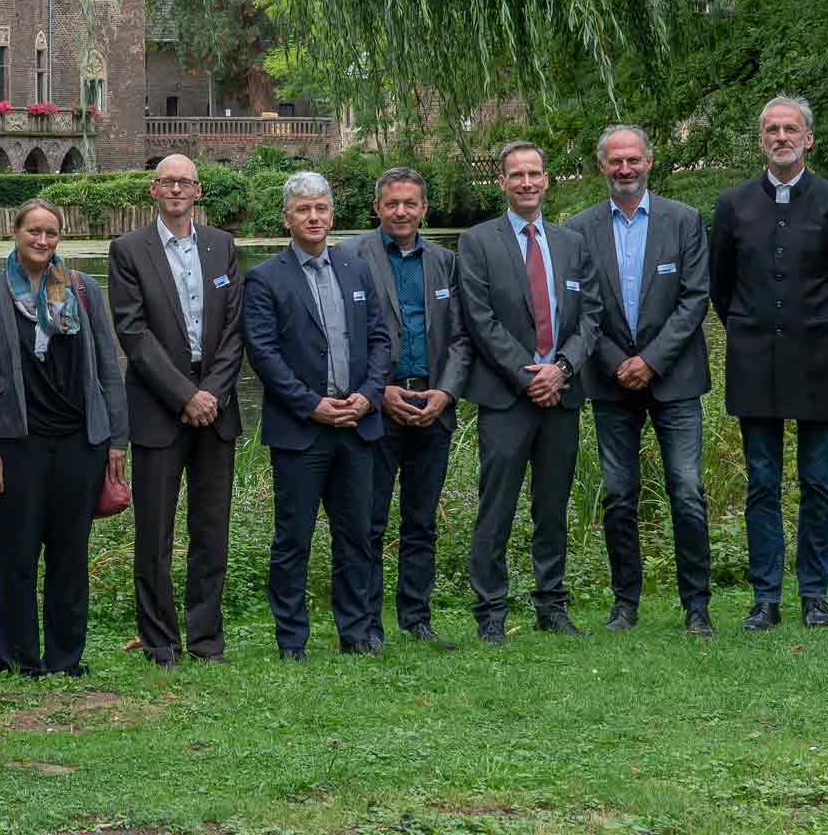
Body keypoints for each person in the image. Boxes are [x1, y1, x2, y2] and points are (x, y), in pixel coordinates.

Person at [712, 95, 828, 630]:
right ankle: (766, 595)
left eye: (790, 129)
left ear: (808, 138)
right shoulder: (732, 205)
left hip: (819, 357)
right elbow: (720, 287)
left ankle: (815, 593)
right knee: (762, 480)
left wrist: (811, 324)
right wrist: (754, 329)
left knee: (818, 481)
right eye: (771, 129)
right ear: (761, 140)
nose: (781, 137)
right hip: (754, 358)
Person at [0, 200, 131, 678]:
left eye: (51, 233)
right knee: (17, 553)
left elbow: (107, 366)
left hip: (80, 441)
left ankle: (66, 658)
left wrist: (116, 438)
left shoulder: (81, 290)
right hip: (18, 444)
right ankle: (18, 659)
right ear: (15, 232)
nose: (42, 241)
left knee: (70, 553)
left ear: (61, 237)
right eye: (33, 231)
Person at [561, 126, 715, 636]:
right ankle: (625, 602)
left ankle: (697, 605)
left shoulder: (685, 220)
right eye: (615, 162)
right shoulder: (579, 229)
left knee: (687, 489)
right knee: (619, 493)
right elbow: (580, 305)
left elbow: (695, 298)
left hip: (674, 379)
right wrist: (613, 360)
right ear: (600, 166)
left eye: (633, 160)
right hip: (609, 382)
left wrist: (650, 360)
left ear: (650, 161)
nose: (625, 169)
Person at [241, 171, 391, 660]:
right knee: (293, 540)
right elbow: (263, 354)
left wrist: (368, 397)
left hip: (357, 423)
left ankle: (356, 632)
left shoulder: (355, 268)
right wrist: (312, 405)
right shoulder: (265, 278)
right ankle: (291, 640)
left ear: (332, 214)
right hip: (302, 431)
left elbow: (381, 340)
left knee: (358, 537)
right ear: (287, 218)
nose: (314, 217)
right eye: (303, 209)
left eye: (321, 208)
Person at [455, 141, 601, 643]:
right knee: (496, 506)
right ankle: (491, 611)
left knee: (553, 504)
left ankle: (551, 605)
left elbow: (591, 318)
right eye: (516, 175)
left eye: (534, 173)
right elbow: (479, 320)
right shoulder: (476, 242)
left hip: (561, 395)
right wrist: (528, 374)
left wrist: (560, 368)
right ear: (502, 181)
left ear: (547, 179)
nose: (526, 182)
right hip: (505, 397)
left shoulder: (571, 242)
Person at [106, 154, 244, 666]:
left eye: (185, 181)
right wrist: (185, 396)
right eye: (167, 181)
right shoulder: (128, 251)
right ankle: (160, 640)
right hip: (159, 410)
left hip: (217, 407)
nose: (176, 189)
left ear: (198, 190)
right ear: (153, 190)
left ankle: (206, 640)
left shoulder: (221, 246)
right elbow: (133, 333)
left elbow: (234, 330)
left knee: (211, 531)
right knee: (155, 535)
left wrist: (210, 393)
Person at [339, 167, 470, 648]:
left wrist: (446, 393)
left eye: (410, 204)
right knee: (368, 522)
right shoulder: (352, 256)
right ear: (377, 208)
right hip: (378, 406)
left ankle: (417, 619)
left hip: (432, 405)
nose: (401, 212)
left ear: (424, 209)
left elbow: (460, 337)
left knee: (421, 521)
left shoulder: (443, 261)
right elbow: (345, 338)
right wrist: (380, 391)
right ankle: (368, 625)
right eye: (391, 203)